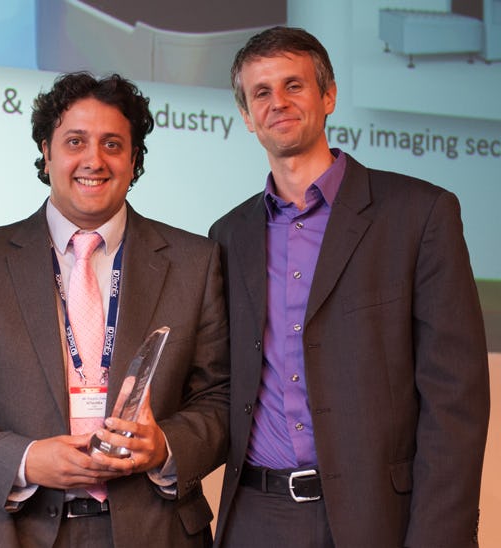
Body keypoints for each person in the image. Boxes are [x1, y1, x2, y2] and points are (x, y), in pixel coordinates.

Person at [0, 71, 229, 548]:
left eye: (112, 144)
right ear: (46, 151)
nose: (94, 160)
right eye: (75, 141)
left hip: (155, 529)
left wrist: (164, 447)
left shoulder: (195, 262)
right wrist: (25, 461)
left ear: (134, 159)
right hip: (16, 531)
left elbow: (222, 397)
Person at [210, 26, 490, 547]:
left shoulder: (419, 214)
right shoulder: (227, 236)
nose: (278, 102)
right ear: (247, 116)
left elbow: (455, 401)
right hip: (255, 518)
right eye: (261, 92)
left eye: (294, 85)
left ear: (329, 96)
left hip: (375, 519)